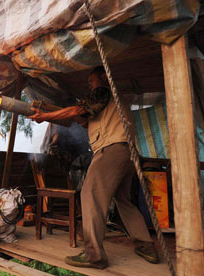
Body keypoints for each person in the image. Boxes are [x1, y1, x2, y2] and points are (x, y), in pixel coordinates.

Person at [28, 66, 159, 269]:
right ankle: (145, 244)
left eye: (91, 81)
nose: (89, 86)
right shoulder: (112, 100)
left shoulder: (103, 91)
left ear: (104, 78)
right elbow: (82, 120)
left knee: (89, 193)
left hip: (111, 149)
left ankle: (93, 255)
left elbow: (78, 110)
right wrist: (55, 113)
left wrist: (45, 116)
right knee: (123, 200)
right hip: (127, 152)